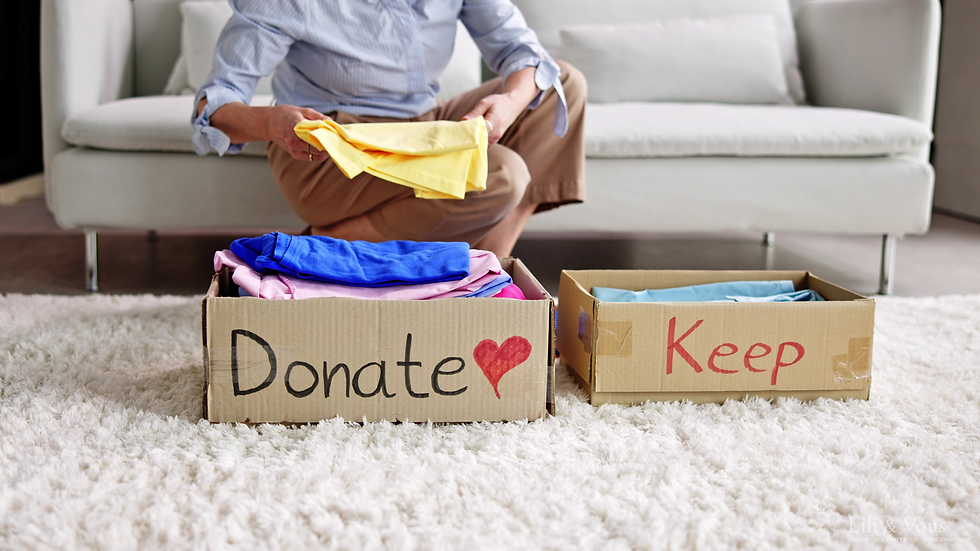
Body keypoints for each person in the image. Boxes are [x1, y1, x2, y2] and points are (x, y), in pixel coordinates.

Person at [192, 0, 586, 257]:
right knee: (500, 172)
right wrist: (270, 123)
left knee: (561, 83)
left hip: (422, 128)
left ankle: (490, 266)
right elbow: (214, 105)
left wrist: (509, 103)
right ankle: (328, 246)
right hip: (335, 146)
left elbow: (524, 53)